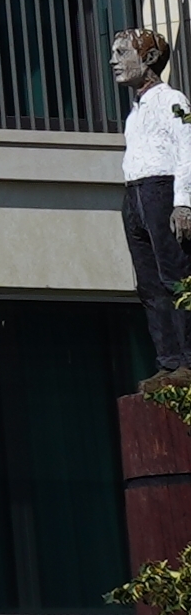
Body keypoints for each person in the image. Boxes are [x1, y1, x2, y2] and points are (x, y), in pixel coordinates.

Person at [120, 24, 191, 373]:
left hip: (160, 190)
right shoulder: (135, 111)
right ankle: (168, 360)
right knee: (148, 284)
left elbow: (187, 147)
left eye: (122, 54)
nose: (113, 61)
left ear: (147, 58)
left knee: (174, 275)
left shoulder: (174, 100)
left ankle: (188, 360)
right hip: (134, 194)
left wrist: (183, 202)